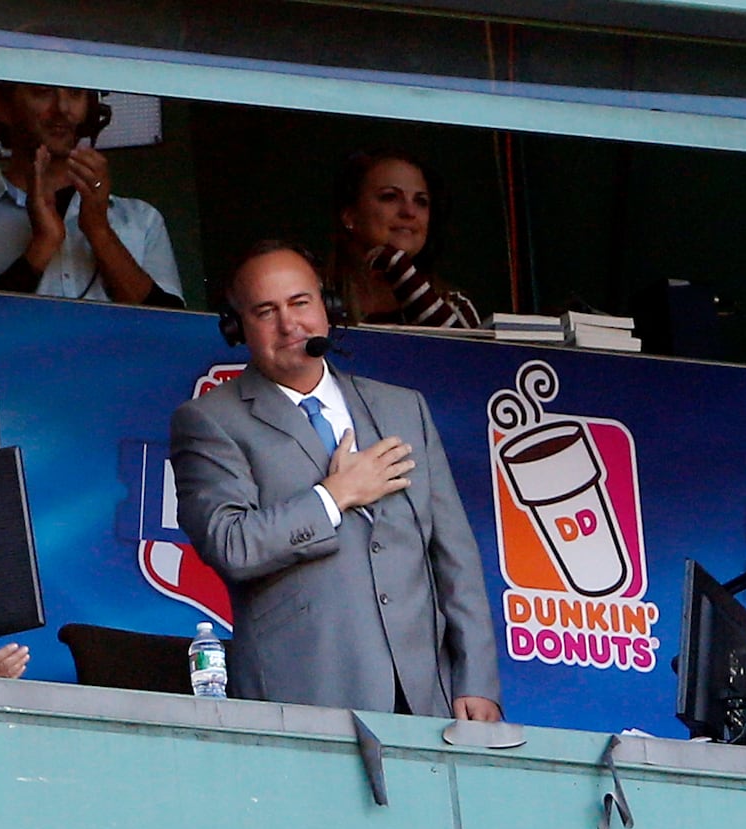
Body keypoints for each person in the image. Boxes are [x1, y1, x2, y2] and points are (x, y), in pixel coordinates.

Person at [169, 240, 501, 719]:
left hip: (427, 697)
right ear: (236, 327)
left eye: (300, 302)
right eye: (266, 311)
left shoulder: (403, 408)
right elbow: (231, 545)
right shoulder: (209, 420)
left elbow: (455, 558)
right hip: (302, 697)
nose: (289, 324)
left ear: (328, 308)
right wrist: (335, 495)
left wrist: (476, 680)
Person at [0, 83, 184, 307]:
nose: (62, 108)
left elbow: (171, 330)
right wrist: (42, 246)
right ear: (2, 107)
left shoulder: (142, 219)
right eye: (42, 92)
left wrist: (99, 231)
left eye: (75, 93)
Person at [327, 148, 479, 329]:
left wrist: (399, 269)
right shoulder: (313, 297)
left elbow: (460, 346)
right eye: (390, 197)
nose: (409, 212)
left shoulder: (453, 305)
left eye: (421, 201)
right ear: (350, 216)